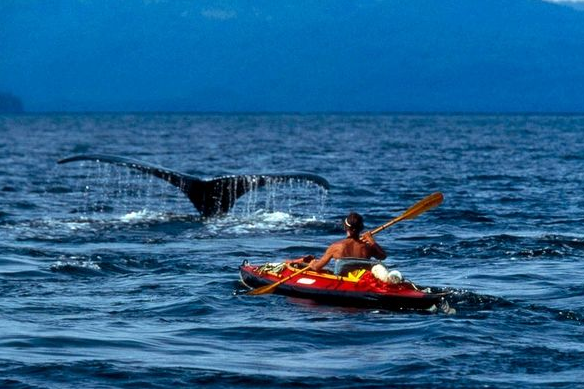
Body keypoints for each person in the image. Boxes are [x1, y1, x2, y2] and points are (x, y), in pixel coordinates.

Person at [308, 212, 387, 272]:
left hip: (341, 281)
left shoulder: (335, 247)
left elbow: (316, 267)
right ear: (361, 228)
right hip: (359, 281)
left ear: (345, 228)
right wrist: (371, 241)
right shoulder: (368, 247)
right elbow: (383, 256)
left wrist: (312, 263)